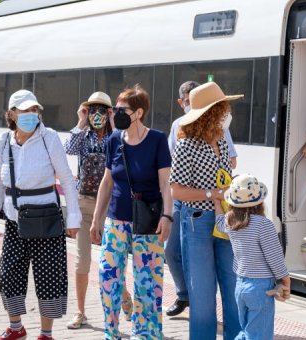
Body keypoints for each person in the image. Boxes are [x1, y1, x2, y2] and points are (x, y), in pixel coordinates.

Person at [0, 89, 81, 340]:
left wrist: (73, 218)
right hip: (16, 222)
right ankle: (16, 328)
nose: (31, 115)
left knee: (48, 277)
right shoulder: (3, 141)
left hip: (46, 221)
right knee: (8, 276)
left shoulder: (49, 138)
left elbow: (68, 181)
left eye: (34, 110)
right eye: (25, 111)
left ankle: (46, 334)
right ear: (12, 114)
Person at [89, 84, 172, 339]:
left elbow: (165, 184)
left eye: (121, 109)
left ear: (138, 112)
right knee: (108, 278)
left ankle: (145, 334)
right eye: (116, 108)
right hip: (117, 221)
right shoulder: (115, 139)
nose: (116, 113)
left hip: (147, 222)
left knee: (147, 284)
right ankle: (111, 332)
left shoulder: (157, 140)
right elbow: (107, 181)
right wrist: (96, 219)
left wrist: (167, 216)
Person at [169, 82, 241, 339]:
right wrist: (213, 194)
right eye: (223, 108)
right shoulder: (187, 144)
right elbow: (176, 190)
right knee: (202, 297)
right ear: (212, 112)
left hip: (225, 220)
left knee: (233, 289)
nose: (227, 113)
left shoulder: (221, 142)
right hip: (197, 223)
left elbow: (224, 178)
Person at [63, 92, 133, 329]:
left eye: (102, 110)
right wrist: (80, 122)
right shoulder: (83, 136)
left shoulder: (116, 137)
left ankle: (124, 296)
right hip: (84, 202)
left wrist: (115, 124)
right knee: (82, 260)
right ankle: (80, 312)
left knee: (112, 259)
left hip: (109, 204)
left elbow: (126, 152)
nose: (97, 114)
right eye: (92, 109)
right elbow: (68, 149)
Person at [213, 174, 290, 340]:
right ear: (260, 201)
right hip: (260, 288)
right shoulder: (264, 225)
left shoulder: (230, 221)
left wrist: (216, 202)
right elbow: (275, 258)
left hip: (240, 285)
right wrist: (285, 280)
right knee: (258, 335)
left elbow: (219, 222)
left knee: (248, 331)